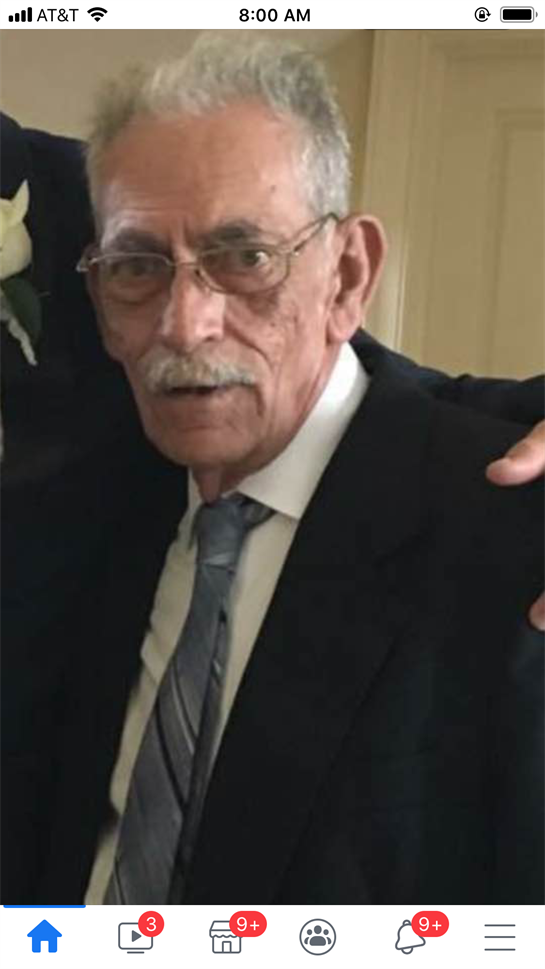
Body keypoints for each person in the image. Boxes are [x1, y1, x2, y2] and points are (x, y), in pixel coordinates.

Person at [0, 33, 543, 902]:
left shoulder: (511, 532)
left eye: (244, 257)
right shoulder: (101, 498)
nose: (184, 323)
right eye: (137, 267)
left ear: (347, 275)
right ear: (98, 300)